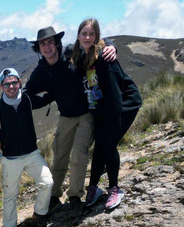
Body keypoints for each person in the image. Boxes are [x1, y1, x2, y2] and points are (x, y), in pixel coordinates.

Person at [25, 26, 117, 216]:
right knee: (59, 155)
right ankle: (53, 196)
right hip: (66, 116)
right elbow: (27, 93)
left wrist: (111, 45)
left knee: (79, 154)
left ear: (57, 43)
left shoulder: (70, 54)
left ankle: (75, 196)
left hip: (86, 113)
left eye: (50, 42)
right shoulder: (41, 71)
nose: (47, 47)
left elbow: (91, 44)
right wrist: (45, 99)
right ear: (39, 48)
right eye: (43, 44)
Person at [69, 18, 142, 211]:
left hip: (122, 105)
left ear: (96, 37)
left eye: (91, 34)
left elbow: (115, 92)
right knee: (100, 145)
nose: (87, 37)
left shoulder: (104, 58)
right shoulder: (81, 58)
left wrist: (114, 118)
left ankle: (114, 189)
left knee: (108, 144)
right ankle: (93, 188)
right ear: (78, 35)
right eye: (84, 33)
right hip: (101, 107)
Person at [0, 68, 54, 227]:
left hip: (32, 153)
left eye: (14, 82)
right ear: (1, 86)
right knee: (10, 194)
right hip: (10, 157)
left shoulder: (28, 99)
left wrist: (58, 86)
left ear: (19, 83)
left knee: (47, 182)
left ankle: (40, 213)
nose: (11, 86)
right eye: (7, 84)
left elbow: (46, 99)